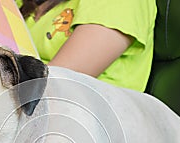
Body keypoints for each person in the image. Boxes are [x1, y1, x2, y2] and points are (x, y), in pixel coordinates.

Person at [17, 0, 157, 92]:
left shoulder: (120, 3)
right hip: (21, 104)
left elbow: (55, 85)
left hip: (74, 119)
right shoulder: (31, 5)